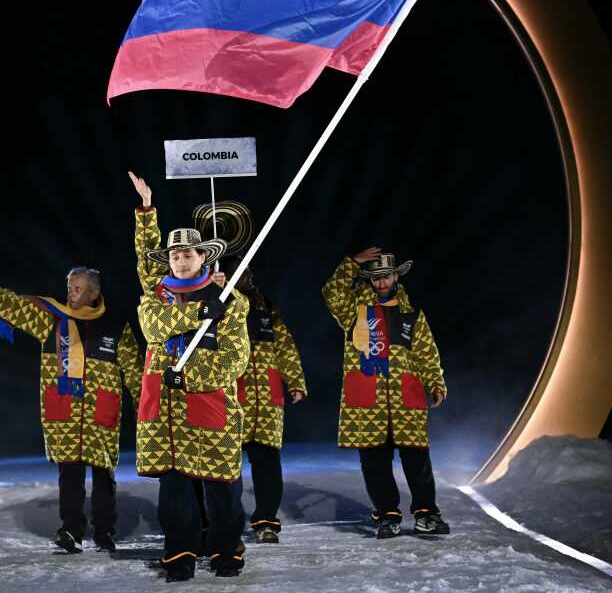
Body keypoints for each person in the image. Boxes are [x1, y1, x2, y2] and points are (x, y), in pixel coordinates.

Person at [0, 244, 141, 553]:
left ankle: (104, 533)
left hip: (100, 413)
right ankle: (71, 531)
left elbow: (133, 370)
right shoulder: (50, 320)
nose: (71, 294)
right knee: (70, 475)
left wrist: (145, 405)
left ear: (94, 293)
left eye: (78, 289)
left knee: (104, 475)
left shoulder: (117, 327)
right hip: (64, 411)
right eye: (69, 288)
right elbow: (10, 305)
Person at [135, 225, 251, 581]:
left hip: (211, 403)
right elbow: (153, 328)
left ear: (204, 257)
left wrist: (190, 378)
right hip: (165, 409)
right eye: (174, 255)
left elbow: (237, 358)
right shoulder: (158, 294)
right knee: (174, 488)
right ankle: (180, 553)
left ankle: (226, 551)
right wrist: (146, 212)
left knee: (221, 486)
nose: (180, 261)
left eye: (188, 254)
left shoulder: (229, 300)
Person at [322, 247, 449, 538]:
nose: (381, 282)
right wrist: (352, 264)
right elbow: (331, 292)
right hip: (369, 402)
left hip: (407, 400)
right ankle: (387, 515)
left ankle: (426, 514)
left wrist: (435, 383)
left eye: (386, 276)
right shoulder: (354, 312)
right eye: (376, 277)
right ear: (369, 279)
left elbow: (426, 354)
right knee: (375, 464)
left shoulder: (411, 315)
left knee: (417, 461)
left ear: (396, 276)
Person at [217, 253, 306, 544]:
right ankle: (224, 522)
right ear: (228, 276)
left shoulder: (266, 308)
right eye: (243, 273)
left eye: (250, 273)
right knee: (226, 466)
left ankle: (266, 521)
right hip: (231, 397)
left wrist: (295, 380)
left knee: (268, 463)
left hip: (267, 401)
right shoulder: (215, 306)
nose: (250, 277)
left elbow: (285, 346)